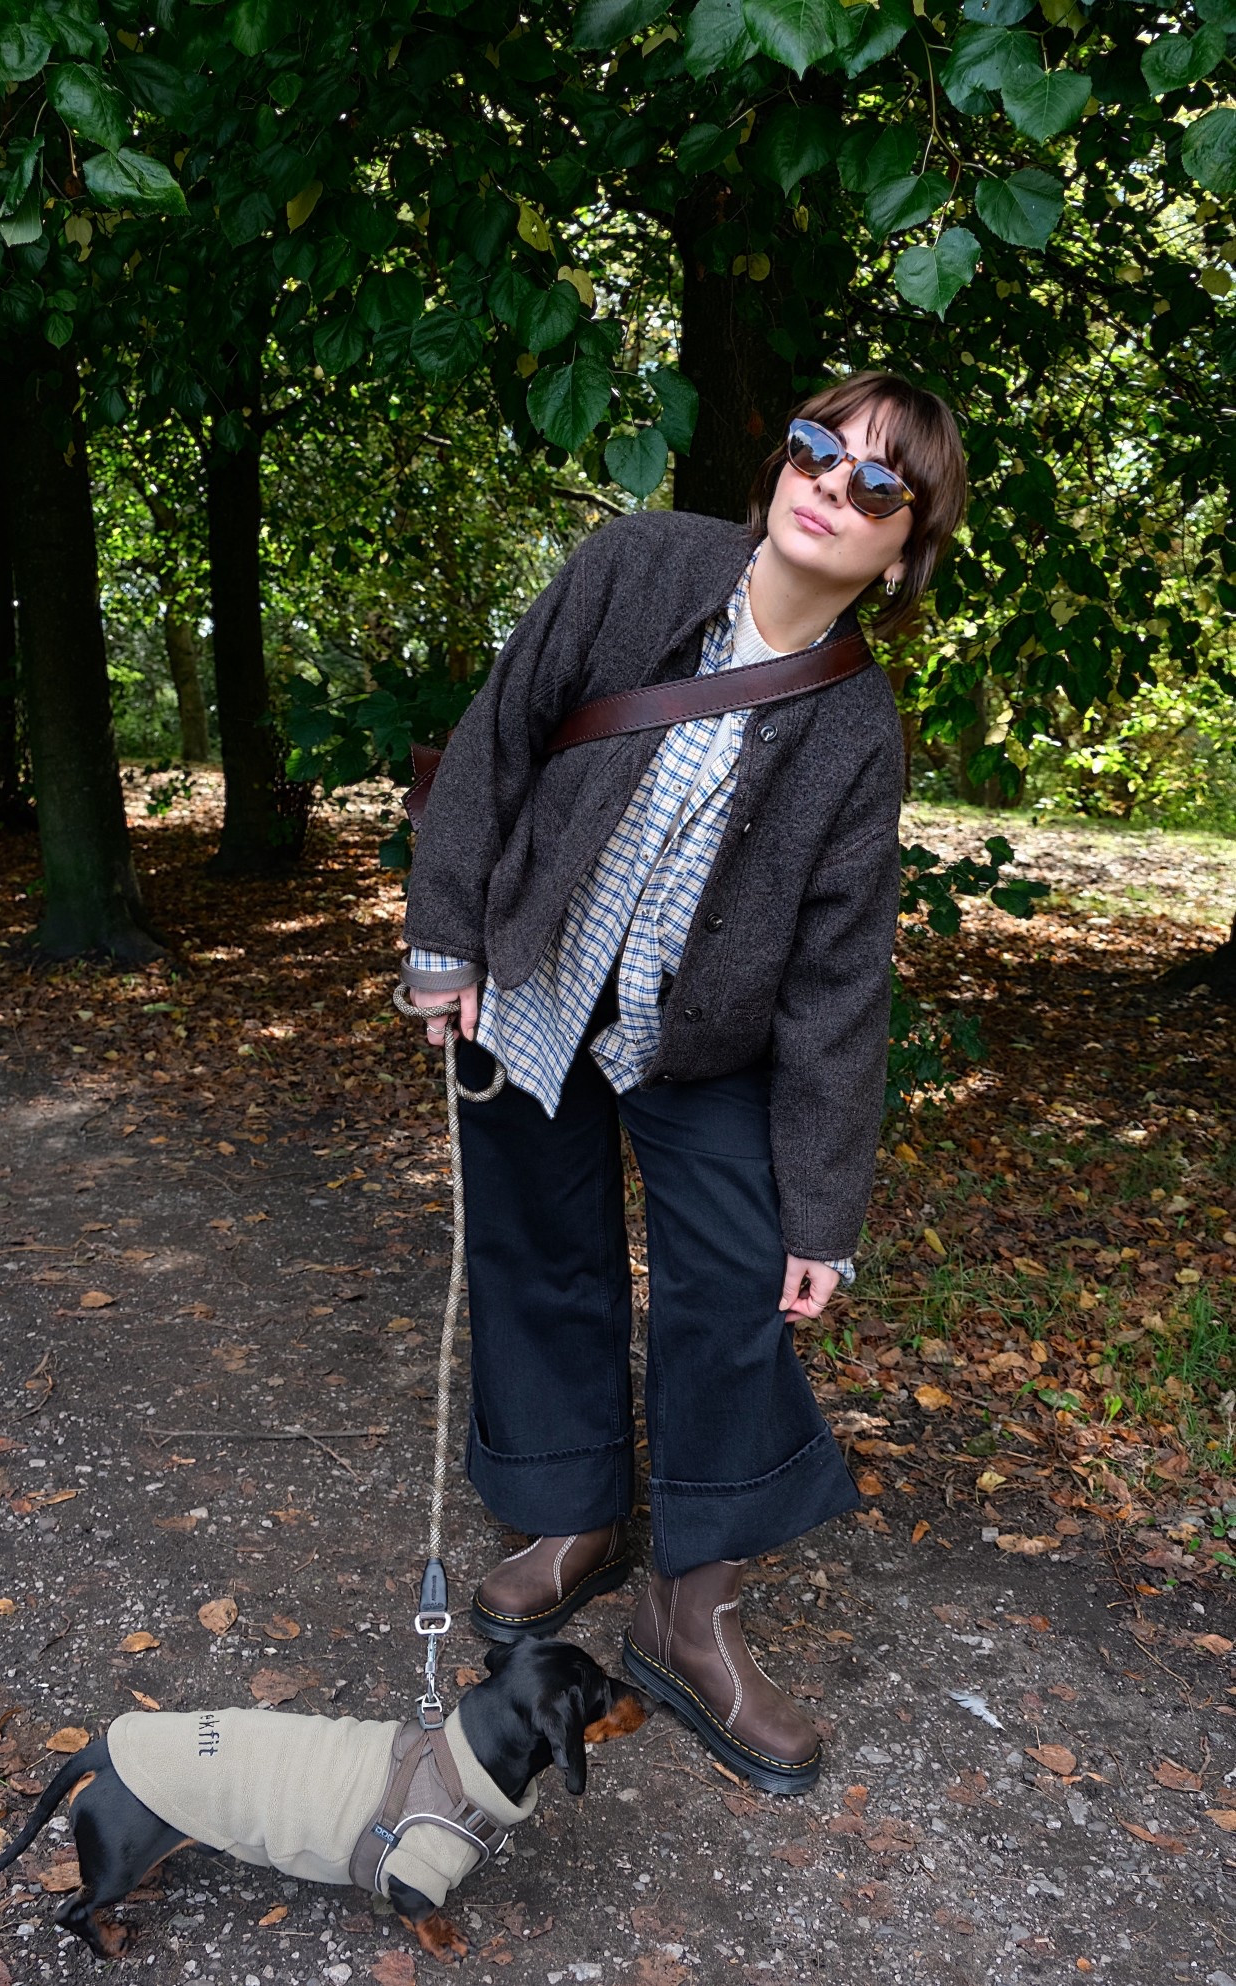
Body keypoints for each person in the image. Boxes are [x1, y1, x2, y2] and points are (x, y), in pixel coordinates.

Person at [397, 370, 966, 1794]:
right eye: (814, 448)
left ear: (902, 547)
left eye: (874, 484)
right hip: (533, 975)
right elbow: (498, 735)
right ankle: (571, 1519)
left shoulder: (855, 730)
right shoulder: (634, 563)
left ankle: (686, 1605)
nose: (829, 483)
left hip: (700, 1044)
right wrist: (441, 938)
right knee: (539, 1255)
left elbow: (843, 983)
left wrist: (822, 1211)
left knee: (731, 1288)